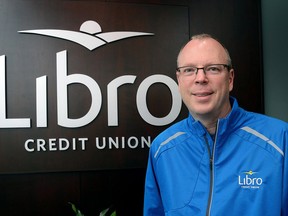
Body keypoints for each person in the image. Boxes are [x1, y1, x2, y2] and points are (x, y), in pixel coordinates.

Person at [143, 34, 288, 216]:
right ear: (179, 80)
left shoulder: (280, 140)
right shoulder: (162, 148)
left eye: (212, 69)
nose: (200, 78)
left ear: (230, 79)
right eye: (189, 70)